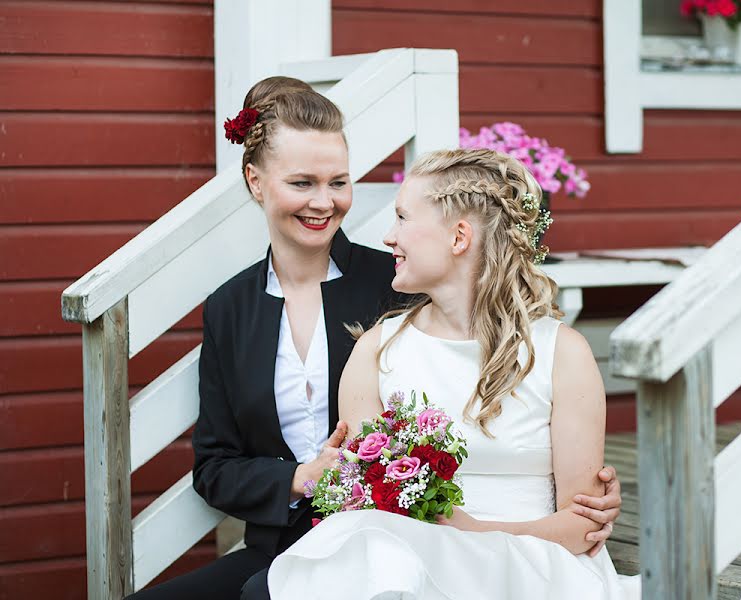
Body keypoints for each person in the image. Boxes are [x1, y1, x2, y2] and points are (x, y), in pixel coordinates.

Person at [127, 78, 623, 600]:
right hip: (315, 537)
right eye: (302, 183)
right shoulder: (233, 308)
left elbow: (486, 330)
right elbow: (216, 465)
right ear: (255, 182)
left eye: (338, 182)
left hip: (405, 543)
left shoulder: (404, 284)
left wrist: (577, 501)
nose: (325, 201)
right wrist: (302, 478)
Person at [265, 148, 640, 599]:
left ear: (459, 237)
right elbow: (370, 504)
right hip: (405, 565)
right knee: (376, 559)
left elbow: (584, 526)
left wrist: (473, 535)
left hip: (536, 566)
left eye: (403, 217)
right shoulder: (376, 353)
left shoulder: (562, 354)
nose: (389, 237)